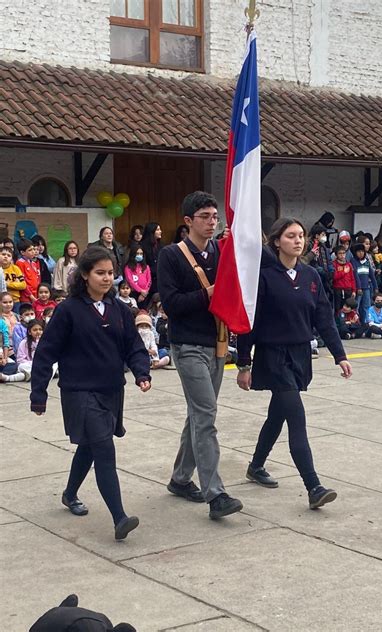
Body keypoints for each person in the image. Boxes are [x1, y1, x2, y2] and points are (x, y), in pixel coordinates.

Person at [30, 246, 151, 540]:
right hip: (80, 392)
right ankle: (120, 518)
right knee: (104, 450)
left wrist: (141, 373)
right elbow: (46, 353)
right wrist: (39, 394)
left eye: (110, 273)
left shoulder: (119, 310)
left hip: (111, 391)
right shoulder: (68, 310)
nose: (107, 278)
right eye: (100, 273)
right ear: (84, 275)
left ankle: (70, 494)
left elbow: (133, 346)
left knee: (90, 447)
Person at [237, 217, 352, 510]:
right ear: (277, 242)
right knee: (296, 418)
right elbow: (250, 323)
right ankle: (313, 486)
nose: (298, 241)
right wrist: (243, 364)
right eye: (291, 236)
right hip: (273, 356)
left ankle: (256, 465)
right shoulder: (264, 277)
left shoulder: (311, 276)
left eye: (301, 235)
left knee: (278, 414)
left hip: (301, 355)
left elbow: (324, 318)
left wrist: (340, 355)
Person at [157, 191, 243, 519]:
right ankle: (215, 493)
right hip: (187, 345)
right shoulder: (171, 256)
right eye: (204, 217)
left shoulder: (222, 252)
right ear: (188, 221)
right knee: (206, 416)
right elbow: (172, 305)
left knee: (198, 414)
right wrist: (208, 293)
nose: (211, 222)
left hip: (218, 343)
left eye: (214, 217)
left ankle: (180, 478)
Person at [0, 318, 43, 383]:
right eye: (35, 330)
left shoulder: (44, 342)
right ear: (29, 332)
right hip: (28, 366)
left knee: (54, 365)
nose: (38, 332)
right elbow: (20, 360)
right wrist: (33, 363)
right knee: (21, 367)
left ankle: (7, 378)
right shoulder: (24, 343)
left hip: (40, 365)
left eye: (40, 329)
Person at [301, 223, 334, 301]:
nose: (324, 236)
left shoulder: (323, 246)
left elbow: (328, 260)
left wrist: (331, 271)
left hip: (325, 277)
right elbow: (305, 261)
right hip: (314, 276)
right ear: (316, 236)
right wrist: (321, 271)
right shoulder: (308, 245)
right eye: (323, 234)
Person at [352, 243, 378, 325]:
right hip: (358, 289)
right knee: (356, 306)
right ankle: (356, 323)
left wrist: (375, 287)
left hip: (366, 288)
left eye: (362, 251)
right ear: (355, 252)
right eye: (358, 251)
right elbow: (355, 275)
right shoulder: (353, 261)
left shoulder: (366, 261)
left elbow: (371, 275)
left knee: (367, 306)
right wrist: (358, 288)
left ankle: (366, 323)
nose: (361, 253)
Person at [123, 243, 151, 308]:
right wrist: (140, 291)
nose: (139, 255)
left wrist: (144, 293)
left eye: (141, 254)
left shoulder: (146, 267)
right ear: (133, 254)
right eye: (137, 253)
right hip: (134, 293)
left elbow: (149, 280)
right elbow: (130, 281)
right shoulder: (128, 267)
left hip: (145, 294)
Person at [332, 245, 357, 314]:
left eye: (343, 253)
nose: (342, 255)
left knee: (349, 308)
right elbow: (334, 277)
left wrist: (354, 290)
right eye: (340, 253)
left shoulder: (349, 264)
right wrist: (343, 272)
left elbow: (352, 278)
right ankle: (338, 322)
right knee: (338, 308)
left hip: (348, 289)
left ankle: (347, 323)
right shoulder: (334, 264)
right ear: (336, 254)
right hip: (338, 289)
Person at [141, 222, 163, 298]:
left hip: (159, 279)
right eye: (158, 230)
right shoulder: (142, 246)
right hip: (148, 280)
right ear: (152, 232)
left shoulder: (160, 245)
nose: (160, 231)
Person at [16, 238, 41, 303]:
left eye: (33, 249)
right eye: (30, 250)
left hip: (35, 295)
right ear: (22, 252)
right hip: (26, 297)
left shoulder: (33, 263)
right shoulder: (20, 263)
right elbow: (22, 281)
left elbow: (37, 279)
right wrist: (30, 295)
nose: (33, 251)